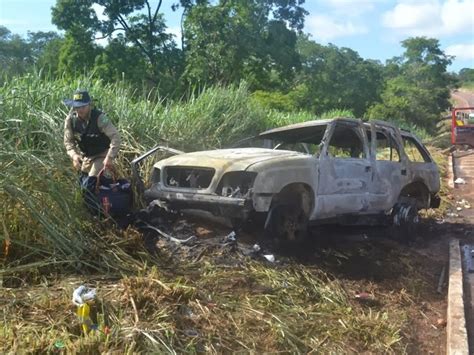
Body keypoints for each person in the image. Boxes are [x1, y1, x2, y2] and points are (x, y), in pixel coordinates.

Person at [63, 89, 121, 212]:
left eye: (83, 106)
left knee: (89, 185)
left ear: (89, 105)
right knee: (81, 186)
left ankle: (98, 214)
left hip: (102, 155)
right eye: (77, 106)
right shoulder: (70, 120)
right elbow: (68, 142)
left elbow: (115, 137)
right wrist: (74, 156)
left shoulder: (100, 118)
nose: (80, 109)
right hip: (86, 158)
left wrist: (109, 157)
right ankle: (92, 211)